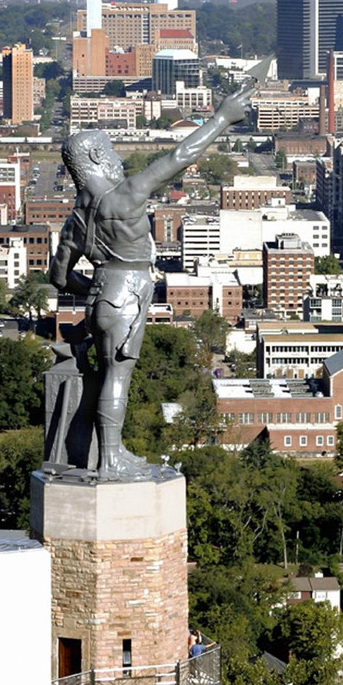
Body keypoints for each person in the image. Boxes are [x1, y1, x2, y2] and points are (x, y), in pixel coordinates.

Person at [51, 80, 254, 478]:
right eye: (109, 150)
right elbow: (180, 156)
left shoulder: (75, 220)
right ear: (95, 155)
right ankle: (109, 460)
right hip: (126, 296)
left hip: (99, 299)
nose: (115, 158)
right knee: (117, 377)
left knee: (111, 374)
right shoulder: (123, 196)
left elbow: (58, 277)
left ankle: (113, 449)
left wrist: (93, 291)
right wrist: (223, 118)